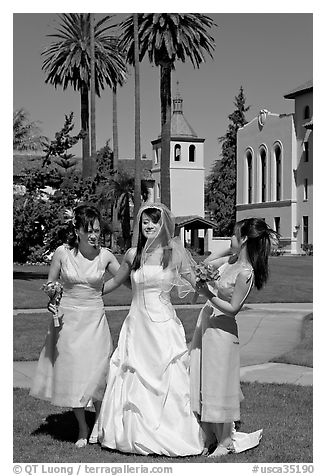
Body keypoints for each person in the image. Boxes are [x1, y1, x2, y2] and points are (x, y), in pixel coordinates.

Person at [96, 203, 204, 456]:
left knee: (169, 374)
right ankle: (128, 432)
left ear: (164, 225)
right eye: (144, 222)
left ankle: (173, 430)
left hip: (163, 325)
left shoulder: (173, 254)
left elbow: (196, 281)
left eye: (153, 222)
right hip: (137, 324)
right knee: (132, 373)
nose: (148, 226)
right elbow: (114, 281)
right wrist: (82, 290)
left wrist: (214, 286)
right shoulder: (132, 255)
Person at [30, 204, 121, 448]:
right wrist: (52, 299)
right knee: (74, 373)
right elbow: (51, 284)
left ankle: (100, 422)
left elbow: (125, 278)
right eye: (89, 229)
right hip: (68, 321)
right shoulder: (62, 252)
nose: (94, 235)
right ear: (77, 229)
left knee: (98, 372)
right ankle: (82, 426)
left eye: (97, 230)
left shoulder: (106, 256)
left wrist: (101, 290)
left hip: (95, 320)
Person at [189, 217, 278, 457]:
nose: (229, 238)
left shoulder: (245, 273)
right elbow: (206, 263)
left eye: (233, 234)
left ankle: (225, 440)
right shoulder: (230, 261)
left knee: (220, 383)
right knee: (207, 380)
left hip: (223, 331)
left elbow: (233, 307)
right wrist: (232, 247)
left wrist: (207, 293)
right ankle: (212, 433)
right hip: (208, 324)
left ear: (245, 239)